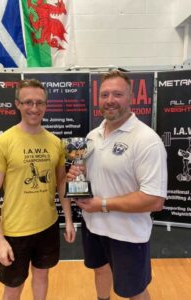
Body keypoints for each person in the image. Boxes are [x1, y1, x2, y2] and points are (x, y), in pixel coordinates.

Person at [67, 70, 167, 300]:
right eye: (104, 95)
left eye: (117, 94)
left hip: (127, 235)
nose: (110, 100)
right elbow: (90, 178)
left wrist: (101, 204)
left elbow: (154, 200)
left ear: (131, 97)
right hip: (93, 227)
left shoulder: (147, 140)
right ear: (98, 99)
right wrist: (76, 176)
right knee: (100, 270)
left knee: (134, 291)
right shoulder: (92, 136)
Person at [0, 79, 76, 300]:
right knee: (14, 287)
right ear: (18, 104)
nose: (34, 108)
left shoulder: (55, 142)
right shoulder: (2, 143)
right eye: (28, 102)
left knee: (42, 277)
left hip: (48, 225)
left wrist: (69, 219)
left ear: (46, 105)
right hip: (15, 231)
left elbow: (61, 182)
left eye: (39, 103)